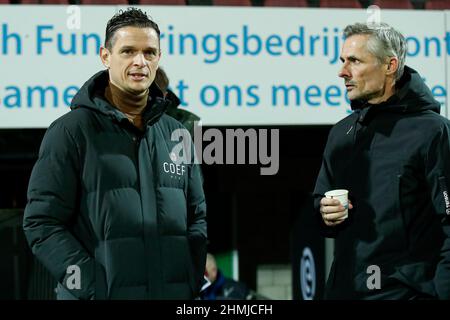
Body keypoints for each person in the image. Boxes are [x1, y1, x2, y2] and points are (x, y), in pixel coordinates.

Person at [23, 8, 207, 300]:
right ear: (105, 56)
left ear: (159, 58)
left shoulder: (177, 133)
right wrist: (93, 287)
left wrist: (190, 278)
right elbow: (42, 224)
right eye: (128, 51)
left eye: (149, 52)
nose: (140, 62)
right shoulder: (70, 132)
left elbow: (196, 217)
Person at [313, 22, 450, 300]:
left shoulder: (433, 131)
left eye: (354, 61)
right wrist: (325, 213)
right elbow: (320, 202)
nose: (342, 72)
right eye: (342, 61)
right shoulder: (341, 133)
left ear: (389, 65)